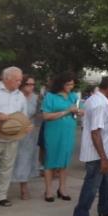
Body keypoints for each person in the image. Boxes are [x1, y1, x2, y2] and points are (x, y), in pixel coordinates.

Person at [72, 77, 108, 216]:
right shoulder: (100, 104)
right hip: (98, 154)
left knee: (106, 182)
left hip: (104, 151)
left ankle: (106, 210)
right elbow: (95, 132)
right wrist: (103, 158)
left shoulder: (94, 99)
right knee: (92, 185)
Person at [0, 66, 28, 207]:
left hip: (12, 137)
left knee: (6, 167)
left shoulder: (19, 95)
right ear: (6, 78)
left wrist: (26, 126)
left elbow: (24, 115)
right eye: (17, 80)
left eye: (20, 80)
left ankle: (1, 195)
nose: (19, 83)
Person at [41, 72, 81, 202]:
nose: (71, 86)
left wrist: (79, 111)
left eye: (72, 83)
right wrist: (67, 111)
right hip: (53, 132)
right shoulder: (50, 96)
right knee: (50, 160)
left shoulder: (73, 96)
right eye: (68, 83)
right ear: (61, 83)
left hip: (68, 132)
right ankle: (48, 190)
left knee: (65, 160)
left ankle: (62, 188)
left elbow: (82, 111)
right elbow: (46, 116)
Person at [11, 75, 40, 200]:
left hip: (29, 132)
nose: (31, 87)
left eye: (33, 84)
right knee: (12, 158)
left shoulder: (36, 98)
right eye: (29, 84)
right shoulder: (15, 96)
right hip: (14, 130)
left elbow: (39, 115)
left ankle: (24, 187)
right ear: (22, 84)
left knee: (26, 158)